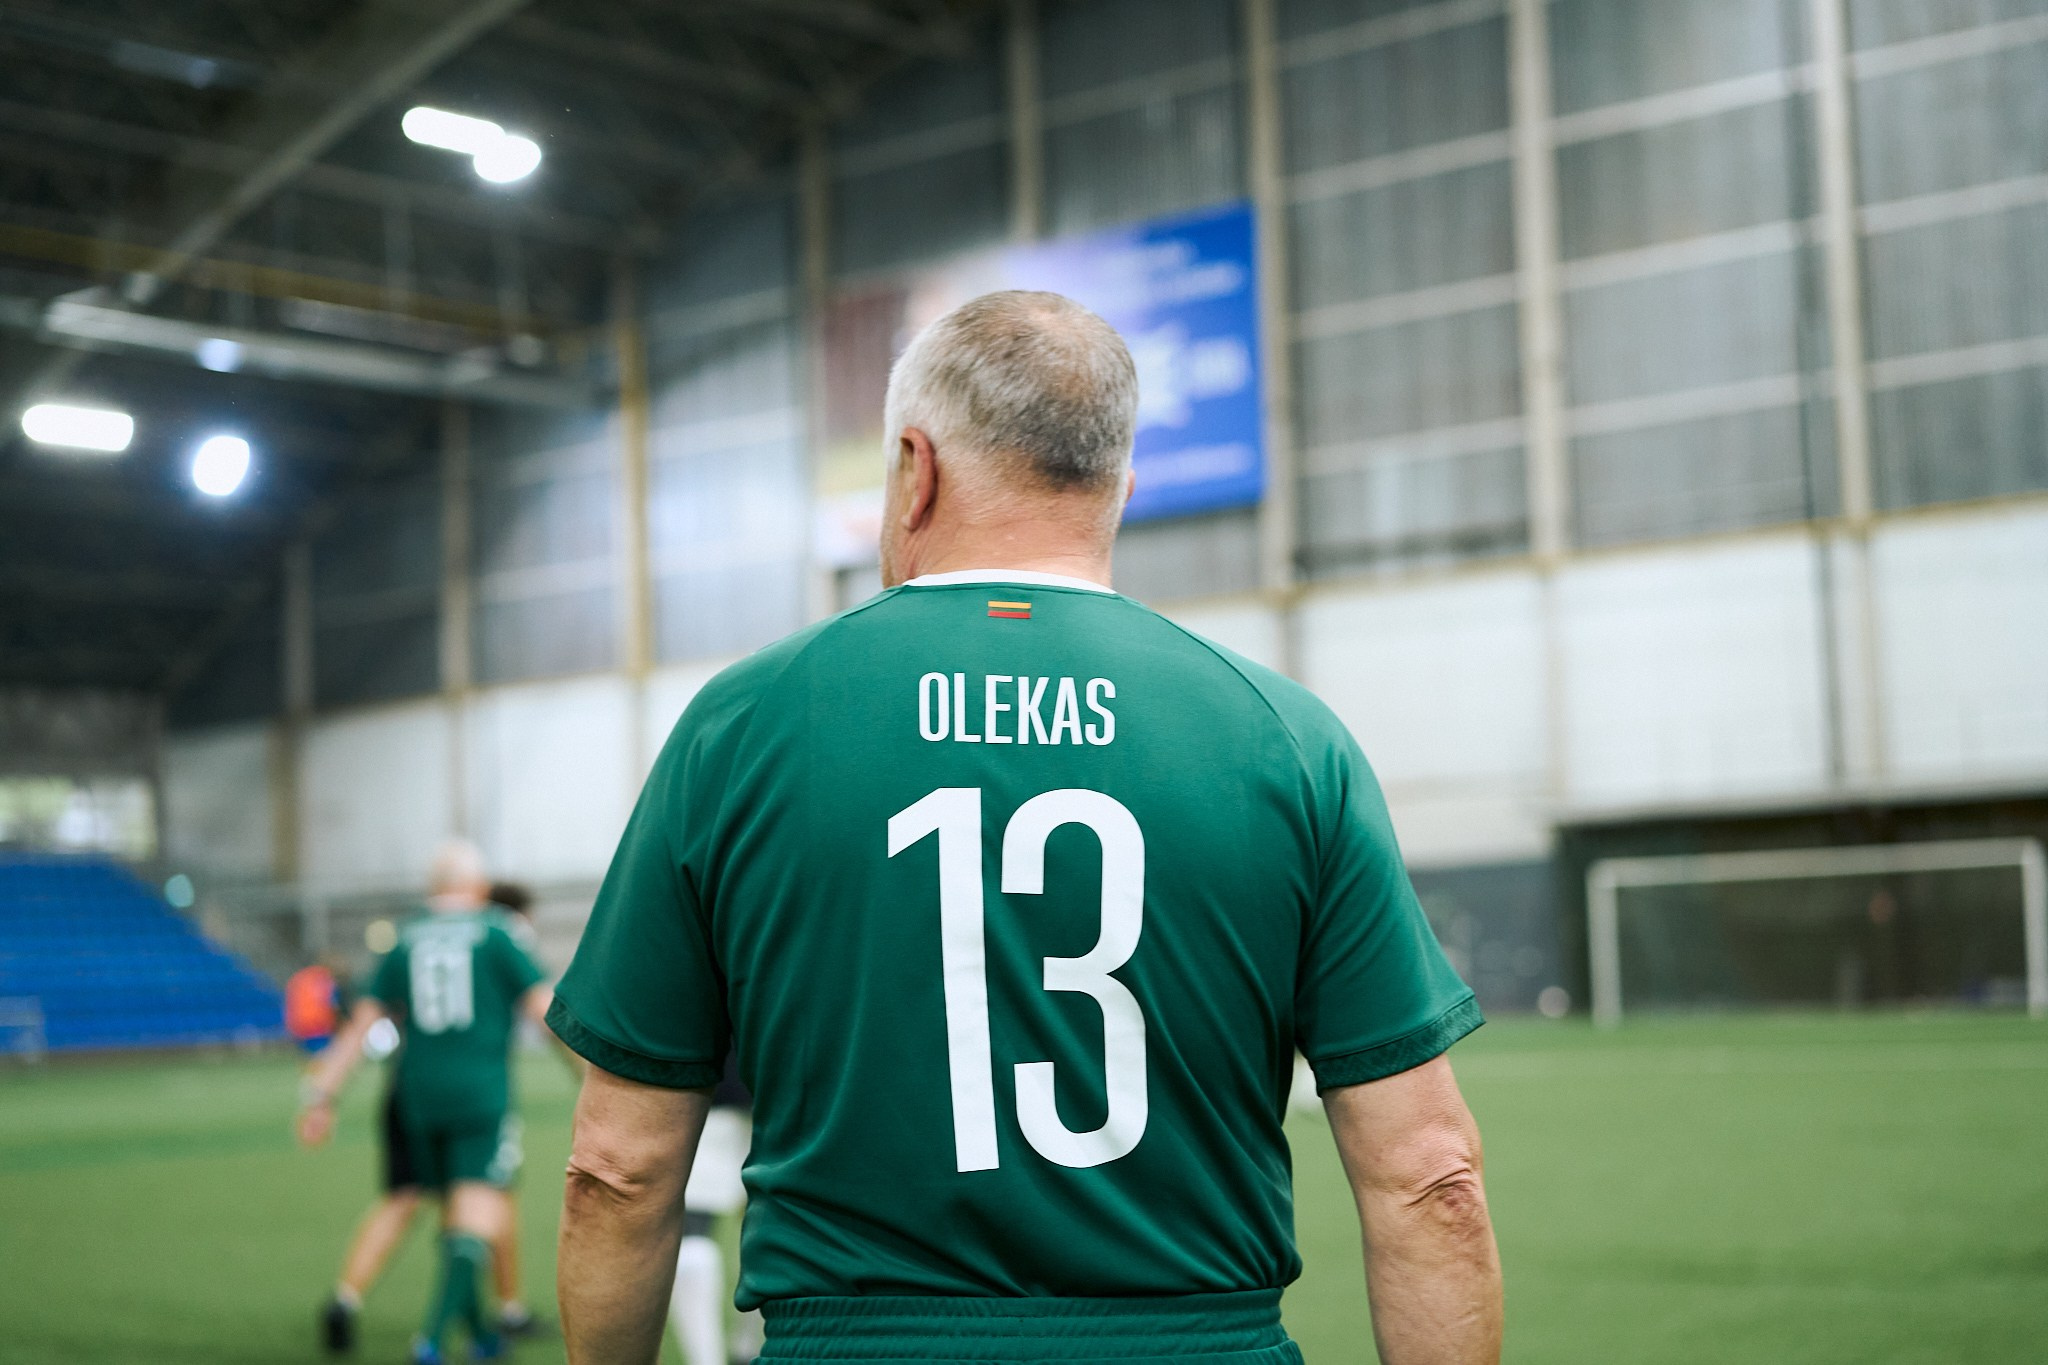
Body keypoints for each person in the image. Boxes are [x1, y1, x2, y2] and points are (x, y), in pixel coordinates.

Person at [550, 291, 1503, 1365]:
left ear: (914, 468)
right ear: (1119, 491)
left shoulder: (741, 725)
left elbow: (616, 1172)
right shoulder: (1284, 739)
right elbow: (1429, 1177)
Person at [300, 842, 554, 1365]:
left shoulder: (403, 939)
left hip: (416, 1096)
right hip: (479, 1094)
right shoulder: (497, 931)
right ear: (478, 887)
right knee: (479, 1208)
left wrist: (323, 1094)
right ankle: (432, 1342)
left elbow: (359, 1028)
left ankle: (482, 1334)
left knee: (448, 1213)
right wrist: (595, 1072)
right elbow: (545, 1009)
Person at [668, 1053, 759, 1365]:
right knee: (773, 1226)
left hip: (705, 1088)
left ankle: (709, 1360)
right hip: (784, 1092)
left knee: (694, 1234)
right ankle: (751, 1351)